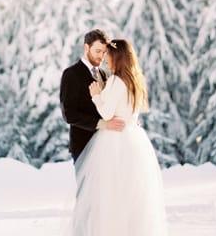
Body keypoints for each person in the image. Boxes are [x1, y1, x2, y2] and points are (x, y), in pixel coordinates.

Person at [69, 38, 168, 236]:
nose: (105, 59)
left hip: (114, 140)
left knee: (108, 194)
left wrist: (96, 94)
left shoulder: (115, 80)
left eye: (108, 55)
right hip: (134, 140)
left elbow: (107, 113)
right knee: (131, 195)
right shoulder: (135, 81)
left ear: (118, 57)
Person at [60, 29, 126, 163]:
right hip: (84, 146)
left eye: (104, 52)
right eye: (97, 51)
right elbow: (69, 114)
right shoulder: (71, 74)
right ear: (86, 47)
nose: (101, 57)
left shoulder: (104, 74)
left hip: (106, 145)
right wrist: (102, 124)